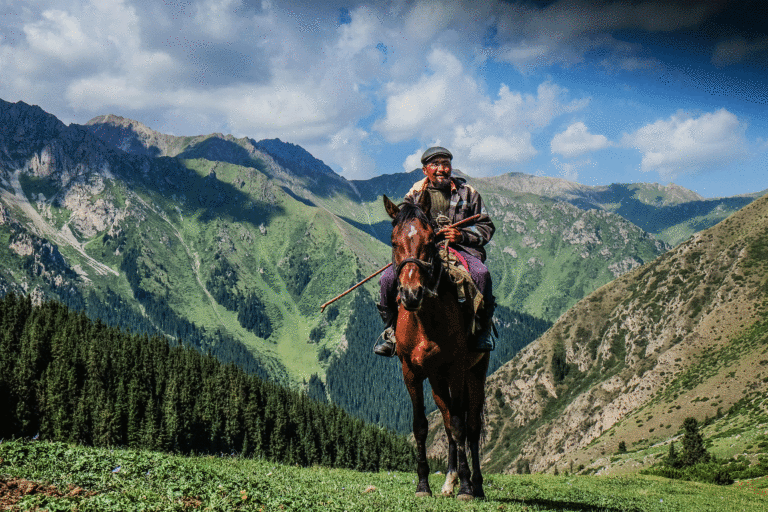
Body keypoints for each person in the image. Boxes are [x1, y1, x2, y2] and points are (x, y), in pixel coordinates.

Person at [374, 146, 496, 357]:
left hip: (461, 249)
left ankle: (482, 328)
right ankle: (391, 331)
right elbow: (406, 227)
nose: (441, 169)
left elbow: (486, 226)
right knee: (386, 280)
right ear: (425, 170)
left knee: (481, 274)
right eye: (435, 165)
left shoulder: (468, 193)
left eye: (445, 164)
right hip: (423, 250)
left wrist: (462, 236)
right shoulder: (414, 194)